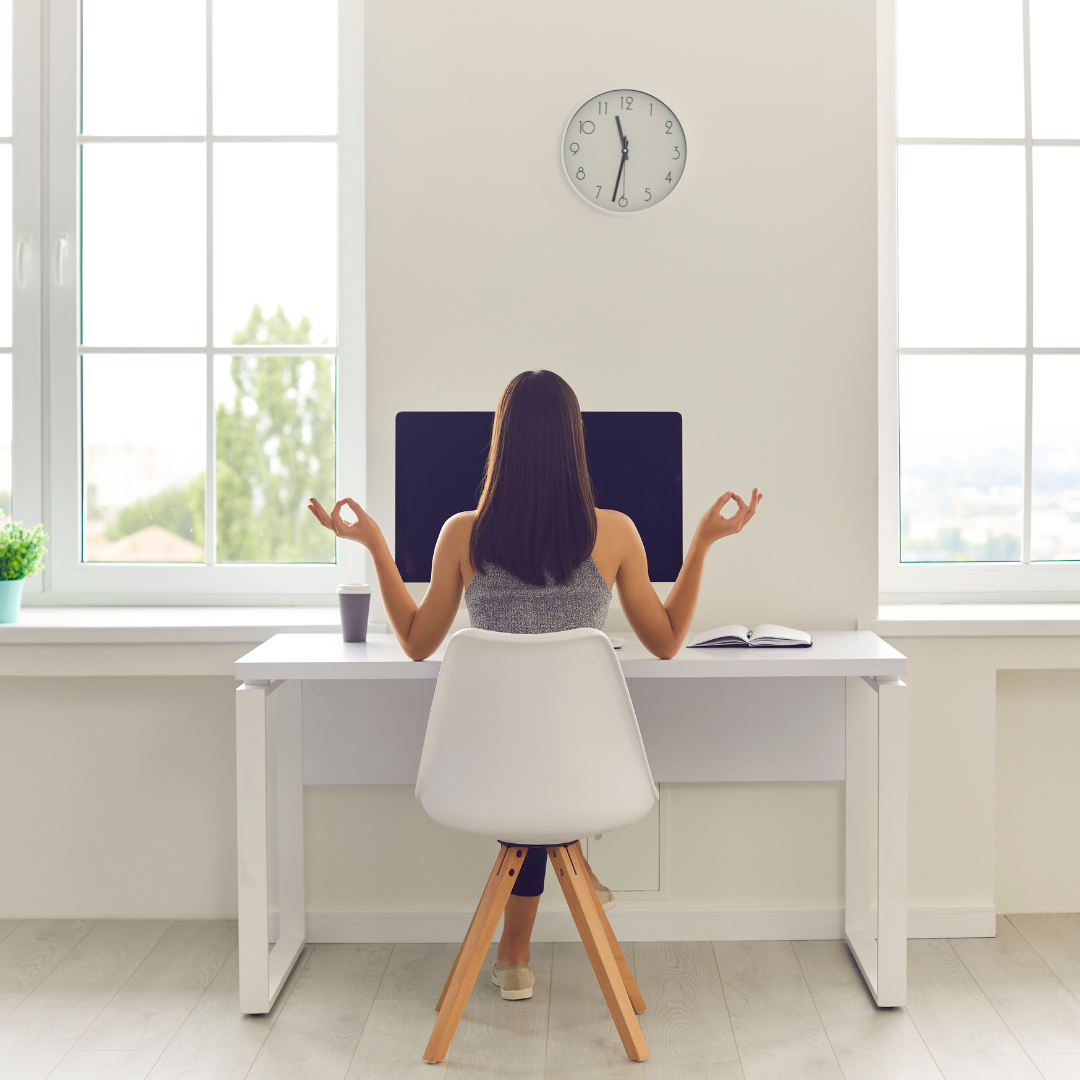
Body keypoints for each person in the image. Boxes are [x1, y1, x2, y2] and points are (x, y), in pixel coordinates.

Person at [308, 369, 762, 1001]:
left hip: (489, 765)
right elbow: (664, 641)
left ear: (501, 443)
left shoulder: (461, 535)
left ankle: (514, 953)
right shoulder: (617, 533)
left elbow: (414, 644)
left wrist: (376, 547)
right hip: (583, 767)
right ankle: (565, 861)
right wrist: (704, 544)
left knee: (528, 776)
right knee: (549, 779)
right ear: (574, 444)